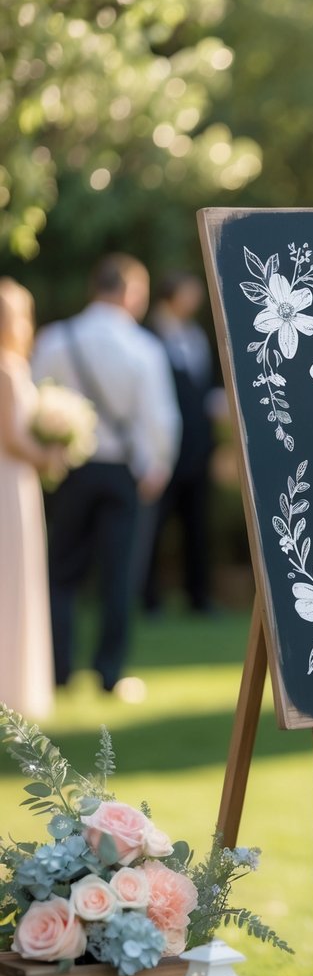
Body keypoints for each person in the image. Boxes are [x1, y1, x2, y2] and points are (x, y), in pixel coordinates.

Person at [32, 254, 180, 696]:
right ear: (131, 292)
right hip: (124, 473)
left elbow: (37, 399)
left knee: (61, 573)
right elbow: (159, 417)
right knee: (119, 576)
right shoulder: (144, 348)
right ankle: (108, 672)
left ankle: (56, 670)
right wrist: (159, 465)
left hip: (71, 469)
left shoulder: (58, 338)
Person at [0, 279, 65, 718]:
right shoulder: (5, 369)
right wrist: (51, 453)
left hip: (16, 482)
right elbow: (10, 438)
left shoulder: (13, 365)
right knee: (11, 577)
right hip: (9, 482)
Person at [142, 271, 219, 614]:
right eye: (190, 293)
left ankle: (198, 596)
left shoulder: (196, 335)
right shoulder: (148, 336)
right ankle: (148, 598)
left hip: (197, 446)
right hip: (161, 445)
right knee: (154, 525)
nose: (196, 300)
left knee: (197, 524)